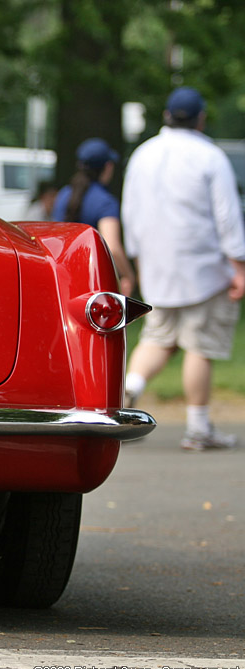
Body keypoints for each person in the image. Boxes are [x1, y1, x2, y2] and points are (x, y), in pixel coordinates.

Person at [122, 86, 245, 451]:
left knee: (158, 337)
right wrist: (238, 265)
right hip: (203, 267)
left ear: (166, 116)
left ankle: (129, 393)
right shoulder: (209, 156)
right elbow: (227, 215)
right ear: (201, 118)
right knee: (199, 345)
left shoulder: (143, 154)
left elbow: (131, 211)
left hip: (157, 264)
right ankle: (199, 427)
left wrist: (139, 260)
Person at [52, 138, 136, 295]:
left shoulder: (64, 195)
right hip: (93, 283)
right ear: (108, 167)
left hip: (62, 278)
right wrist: (128, 275)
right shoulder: (105, 201)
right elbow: (112, 247)